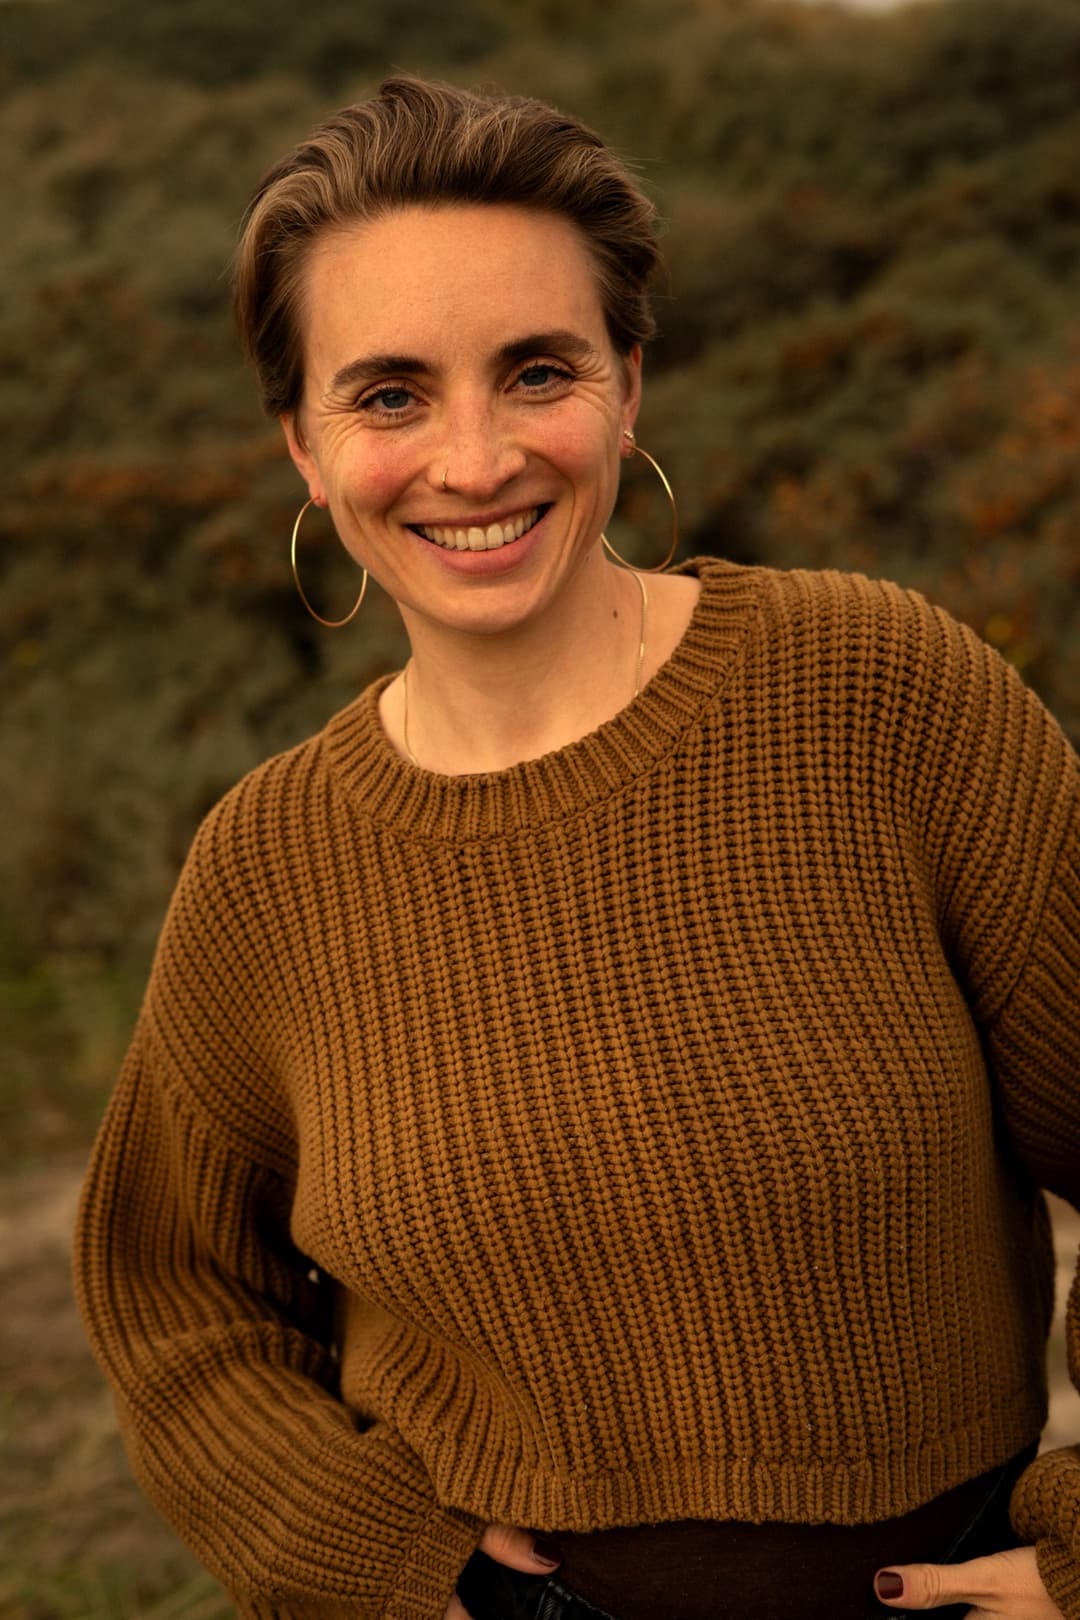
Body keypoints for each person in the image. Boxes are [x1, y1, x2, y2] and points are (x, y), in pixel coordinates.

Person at [73, 74, 1079, 1620]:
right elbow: (174, 1300)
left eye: (537, 370)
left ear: (628, 388)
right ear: (302, 445)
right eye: (390, 394)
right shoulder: (266, 869)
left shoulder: (880, 695)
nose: (473, 462)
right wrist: (374, 1555)